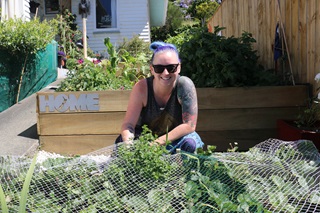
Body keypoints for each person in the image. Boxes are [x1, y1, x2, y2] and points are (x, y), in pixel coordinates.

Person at [115, 41, 204, 154]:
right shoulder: (142, 88)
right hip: (144, 140)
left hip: (173, 140)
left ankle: (187, 170)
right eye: (159, 68)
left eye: (171, 67)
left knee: (190, 143)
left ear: (179, 68)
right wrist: (129, 145)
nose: (165, 73)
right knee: (121, 144)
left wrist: (157, 143)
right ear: (152, 69)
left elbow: (189, 126)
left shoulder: (185, 85)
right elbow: (128, 125)